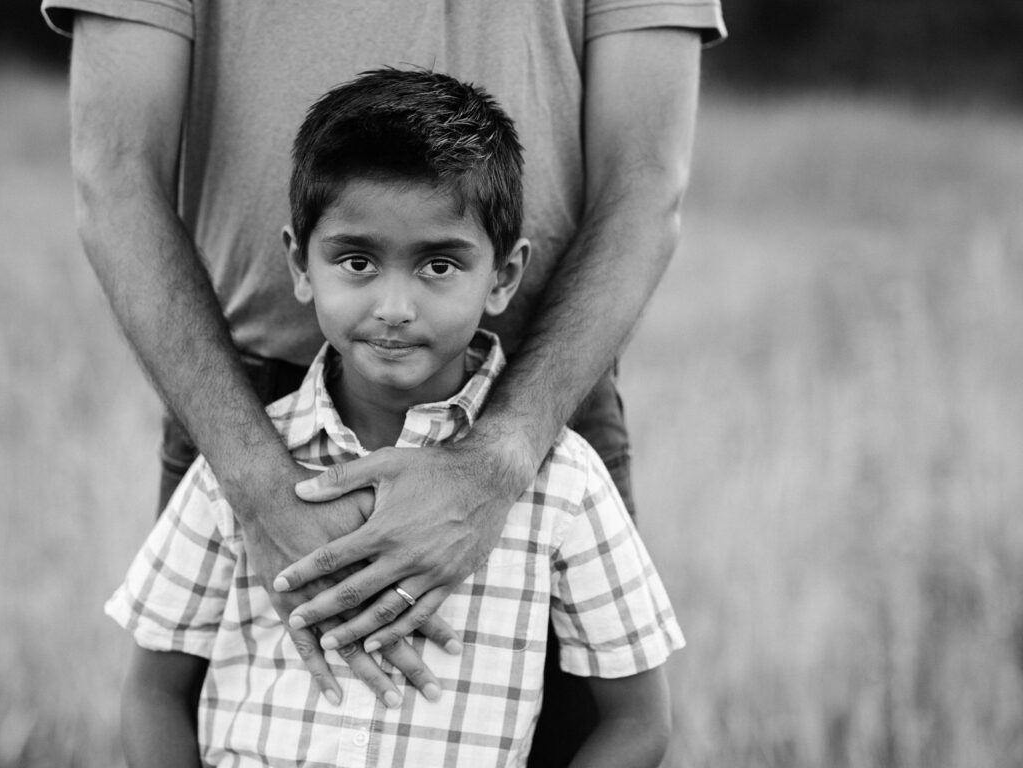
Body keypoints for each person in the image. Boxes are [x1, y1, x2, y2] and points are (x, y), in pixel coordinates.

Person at [45, 1, 724, 764]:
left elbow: (646, 180)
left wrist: (503, 459)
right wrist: (255, 478)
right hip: (233, 405)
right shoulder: (221, 484)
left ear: (502, 275)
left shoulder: (566, 488)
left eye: (437, 264)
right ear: (301, 262)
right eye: (358, 261)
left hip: (544, 403)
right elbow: (114, 167)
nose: (395, 307)